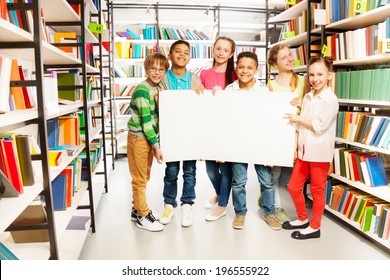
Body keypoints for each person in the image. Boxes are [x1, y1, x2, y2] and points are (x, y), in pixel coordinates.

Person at [223, 51, 281, 230]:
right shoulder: (229, 90)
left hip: (260, 144)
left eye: (249, 67)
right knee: (238, 181)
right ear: (236, 69)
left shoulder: (264, 91)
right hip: (238, 144)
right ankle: (240, 213)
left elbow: (271, 119)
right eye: (241, 67)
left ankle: (269, 212)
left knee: (266, 181)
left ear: (256, 70)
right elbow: (223, 119)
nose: (245, 71)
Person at [283, 56, 338, 239]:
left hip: (319, 153)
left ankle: (315, 227)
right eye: (312, 75)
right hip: (303, 151)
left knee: (316, 190)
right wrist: (295, 146)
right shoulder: (308, 96)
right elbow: (300, 126)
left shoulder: (331, 100)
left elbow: (319, 126)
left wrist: (298, 118)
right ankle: (302, 218)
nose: (316, 79)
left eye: (320, 74)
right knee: (293, 187)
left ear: (329, 75)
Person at [158, 40, 204, 227]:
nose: (182, 55)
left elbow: (200, 107)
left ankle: (187, 204)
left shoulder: (194, 79)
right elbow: (160, 103)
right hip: (170, 133)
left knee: (190, 171)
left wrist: (197, 94)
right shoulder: (162, 78)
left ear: (190, 57)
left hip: (190, 133)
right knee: (171, 171)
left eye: (186, 52)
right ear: (170, 55)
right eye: (178, 51)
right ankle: (169, 204)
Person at [265, 44, 311, 224]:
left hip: (299, 134)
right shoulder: (270, 86)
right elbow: (268, 113)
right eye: (284, 57)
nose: (290, 59)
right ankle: (276, 206)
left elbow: (314, 110)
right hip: (279, 134)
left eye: (290, 55)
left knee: (291, 175)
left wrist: (303, 105)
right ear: (275, 64)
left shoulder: (304, 82)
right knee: (275, 174)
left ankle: (268, 197)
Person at [127, 52, 169, 232]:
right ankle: (143, 215)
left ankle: (137, 209)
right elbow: (146, 123)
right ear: (146, 69)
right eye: (153, 69)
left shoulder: (157, 88)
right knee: (139, 179)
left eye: (161, 70)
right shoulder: (143, 90)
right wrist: (157, 146)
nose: (157, 73)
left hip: (147, 138)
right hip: (139, 138)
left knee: (144, 176)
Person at [199, 36, 237, 221]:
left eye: (225, 50)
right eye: (218, 48)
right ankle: (219, 193)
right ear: (213, 50)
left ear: (231, 54)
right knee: (211, 170)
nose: (221, 52)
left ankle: (222, 205)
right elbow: (200, 101)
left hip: (229, 129)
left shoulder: (235, 75)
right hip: (209, 128)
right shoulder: (205, 74)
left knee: (226, 171)